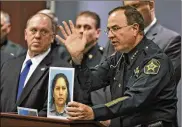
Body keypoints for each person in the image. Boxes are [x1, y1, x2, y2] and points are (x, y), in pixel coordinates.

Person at [56, 5, 177, 127]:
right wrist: (77, 58)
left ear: (135, 28)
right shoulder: (119, 57)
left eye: (115, 28)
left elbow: (134, 99)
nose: (110, 35)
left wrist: (94, 112)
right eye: (108, 30)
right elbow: (89, 82)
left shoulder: (155, 60)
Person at [0, 13, 71, 116]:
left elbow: (56, 113)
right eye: (33, 30)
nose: (37, 36)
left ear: (52, 37)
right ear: (25, 34)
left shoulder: (61, 69)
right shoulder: (8, 65)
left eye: (44, 32)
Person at [73, 11, 104, 106]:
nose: (81, 31)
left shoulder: (104, 58)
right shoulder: (65, 57)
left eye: (87, 27)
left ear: (97, 33)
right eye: (78, 27)